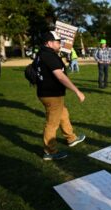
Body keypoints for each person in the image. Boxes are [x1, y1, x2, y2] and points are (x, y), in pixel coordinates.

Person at [36, 31, 86, 160]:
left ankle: (71, 138)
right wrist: (77, 91)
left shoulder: (42, 54)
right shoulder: (49, 55)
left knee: (63, 114)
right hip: (52, 95)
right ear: (48, 43)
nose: (60, 44)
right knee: (52, 123)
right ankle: (49, 151)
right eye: (57, 41)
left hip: (47, 93)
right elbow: (60, 76)